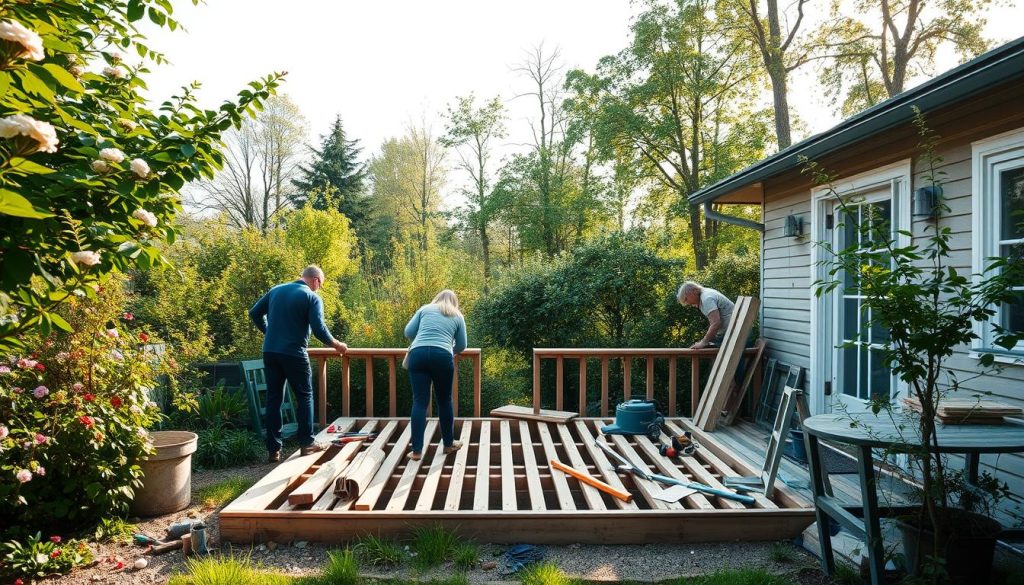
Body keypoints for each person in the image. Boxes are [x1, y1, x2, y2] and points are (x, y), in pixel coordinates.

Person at [249, 265, 348, 463]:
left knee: (274, 399)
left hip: (270, 352)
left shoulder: (276, 290)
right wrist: (337, 345)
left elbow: (254, 313)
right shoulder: (311, 297)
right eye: (320, 285)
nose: (319, 288)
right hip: (293, 353)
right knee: (304, 396)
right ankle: (307, 443)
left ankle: (274, 450)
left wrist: (269, 333)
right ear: (316, 281)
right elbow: (319, 329)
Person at [403, 289, 468, 461]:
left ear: (437, 298)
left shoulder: (425, 309)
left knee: (419, 402)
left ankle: (416, 451)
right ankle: (448, 444)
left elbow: (408, 332)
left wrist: (424, 339)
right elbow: (462, 345)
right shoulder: (457, 315)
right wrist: (447, 349)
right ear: (454, 302)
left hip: (418, 354)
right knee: (444, 400)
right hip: (442, 356)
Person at [677, 281, 735, 349]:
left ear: (694, 291)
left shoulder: (706, 299)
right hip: (730, 332)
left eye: (686, 299)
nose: (688, 303)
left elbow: (716, 323)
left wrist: (704, 342)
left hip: (732, 334)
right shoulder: (706, 293)